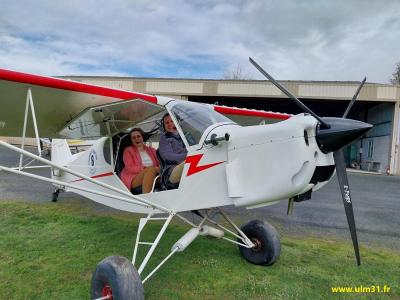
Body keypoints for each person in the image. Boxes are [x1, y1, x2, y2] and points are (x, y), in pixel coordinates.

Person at [120, 128, 160, 193]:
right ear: (131, 140)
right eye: (133, 138)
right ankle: (147, 197)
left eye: (138, 136)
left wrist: (159, 168)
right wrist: (146, 169)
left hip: (153, 173)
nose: (136, 139)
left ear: (142, 137)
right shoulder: (128, 150)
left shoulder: (151, 150)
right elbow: (129, 168)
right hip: (133, 177)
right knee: (150, 169)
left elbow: (159, 162)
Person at [158, 114, 187, 184]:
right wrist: (188, 156)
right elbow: (168, 157)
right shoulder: (164, 138)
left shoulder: (186, 135)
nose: (170, 124)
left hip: (188, 161)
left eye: (172, 121)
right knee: (190, 164)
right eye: (166, 123)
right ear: (164, 126)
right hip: (171, 170)